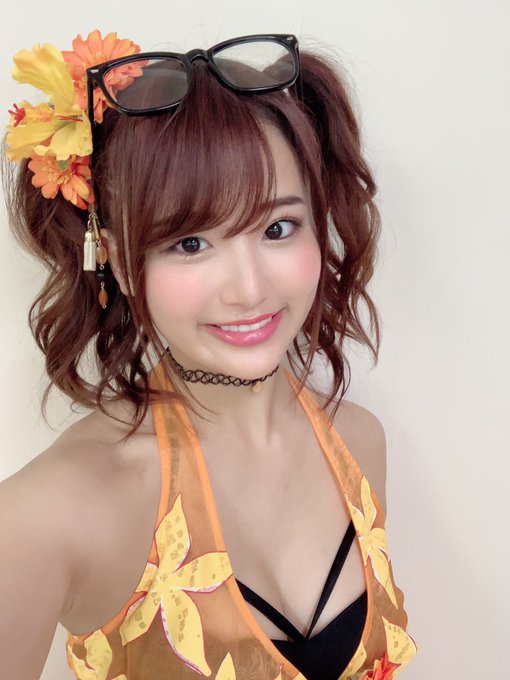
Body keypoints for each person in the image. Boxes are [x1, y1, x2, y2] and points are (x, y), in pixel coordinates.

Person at [0, 30, 417, 680]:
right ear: (117, 260)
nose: (249, 288)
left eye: (278, 227)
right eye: (190, 243)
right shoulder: (46, 517)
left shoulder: (360, 443)